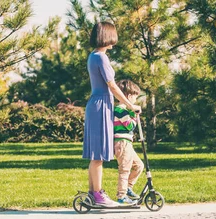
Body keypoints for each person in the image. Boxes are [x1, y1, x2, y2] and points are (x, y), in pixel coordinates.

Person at [83, 21, 142, 207]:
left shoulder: (93, 56)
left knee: (96, 154)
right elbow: (113, 86)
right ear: (107, 36)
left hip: (98, 105)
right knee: (98, 154)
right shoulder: (101, 57)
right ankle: (99, 196)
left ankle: (93, 194)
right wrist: (130, 106)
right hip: (101, 106)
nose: (114, 41)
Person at [113, 80, 145, 205]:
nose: (135, 100)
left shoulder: (124, 109)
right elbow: (130, 126)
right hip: (121, 142)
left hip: (127, 143)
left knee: (139, 166)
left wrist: (132, 112)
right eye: (135, 97)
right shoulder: (120, 109)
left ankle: (128, 188)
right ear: (128, 96)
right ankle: (121, 195)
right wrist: (134, 113)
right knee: (125, 169)